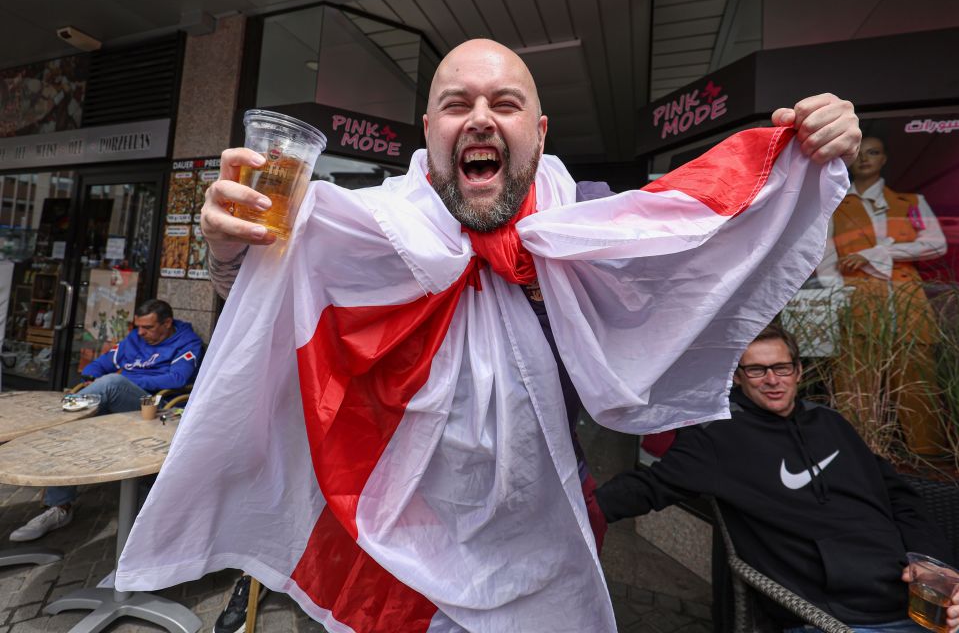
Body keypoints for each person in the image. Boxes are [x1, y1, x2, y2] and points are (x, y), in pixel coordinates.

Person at [117, 39, 862, 632]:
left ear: (536, 133)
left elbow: (708, 251)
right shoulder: (367, 223)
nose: (479, 117)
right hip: (386, 540)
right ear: (431, 133)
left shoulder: (593, 222)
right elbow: (269, 305)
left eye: (504, 103)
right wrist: (226, 251)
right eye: (455, 104)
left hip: (545, 531)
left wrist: (812, 153)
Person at [595, 325, 959, 633]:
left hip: (913, 598)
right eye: (757, 370)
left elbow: (900, 496)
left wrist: (935, 565)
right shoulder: (719, 437)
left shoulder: (831, 423)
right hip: (835, 615)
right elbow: (650, 487)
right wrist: (576, 510)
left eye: (782, 368)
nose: (772, 380)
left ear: (799, 371)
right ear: (738, 377)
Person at [8, 299, 202, 543]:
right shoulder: (135, 338)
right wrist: (91, 375)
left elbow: (177, 378)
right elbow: (102, 363)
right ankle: (59, 508)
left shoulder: (187, 341)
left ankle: (44, 433)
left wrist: (128, 380)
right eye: (138, 327)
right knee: (76, 426)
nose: (140, 333)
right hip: (121, 400)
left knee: (111, 384)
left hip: (157, 408)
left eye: (148, 328)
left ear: (167, 323)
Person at [816, 136, 948, 455]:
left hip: (907, 301)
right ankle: (859, 454)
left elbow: (936, 244)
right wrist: (841, 298)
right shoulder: (834, 205)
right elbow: (826, 259)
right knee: (855, 382)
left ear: (884, 159)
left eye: (873, 152)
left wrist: (881, 251)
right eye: (859, 154)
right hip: (858, 300)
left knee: (918, 381)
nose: (865, 159)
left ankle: (927, 454)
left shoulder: (910, 202)